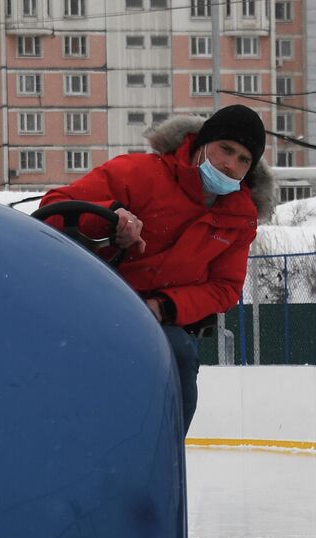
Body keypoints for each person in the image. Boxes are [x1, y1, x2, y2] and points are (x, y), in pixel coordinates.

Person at [39, 105, 273, 434]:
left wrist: (165, 306)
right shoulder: (137, 173)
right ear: (203, 143)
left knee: (175, 356)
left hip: (164, 321)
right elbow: (53, 209)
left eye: (243, 160)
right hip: (96, 303)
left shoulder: (240, 219)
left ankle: (162, 452)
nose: (230, 164)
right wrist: (112, 215)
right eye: (226, 149)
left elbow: (224, 288)